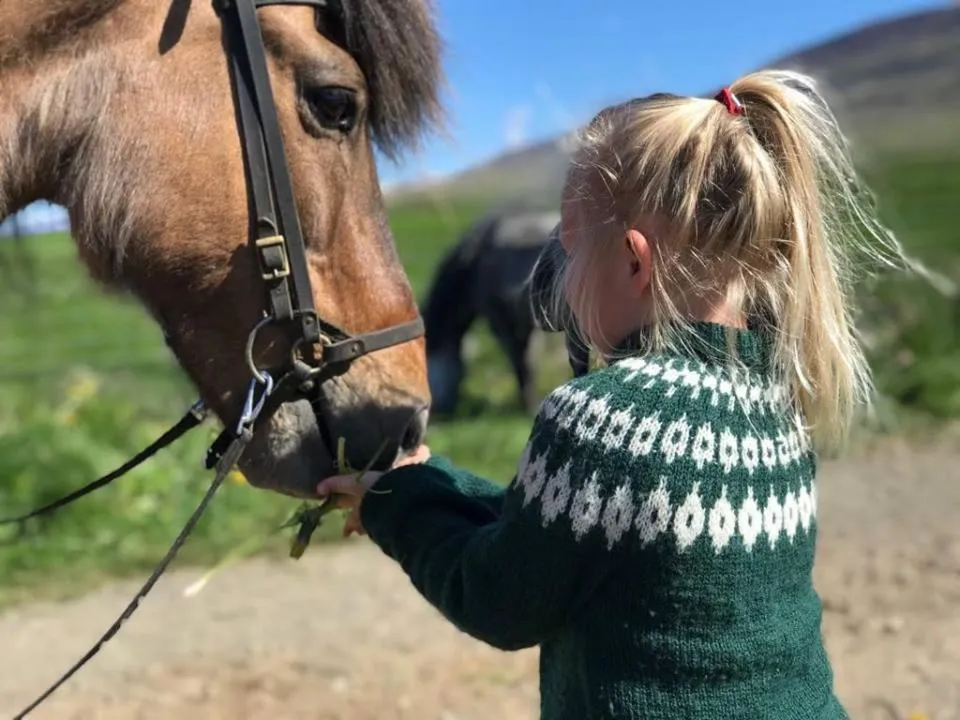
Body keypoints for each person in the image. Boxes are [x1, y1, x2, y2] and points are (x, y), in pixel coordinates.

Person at [317, 69, 906, 719]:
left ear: (633, 260)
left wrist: (394, 509)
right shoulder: (779, 406)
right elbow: (578, 530)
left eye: (570, 255)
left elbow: (501, 598)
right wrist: (429, 482)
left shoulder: (602, 420)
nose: (563, 284)